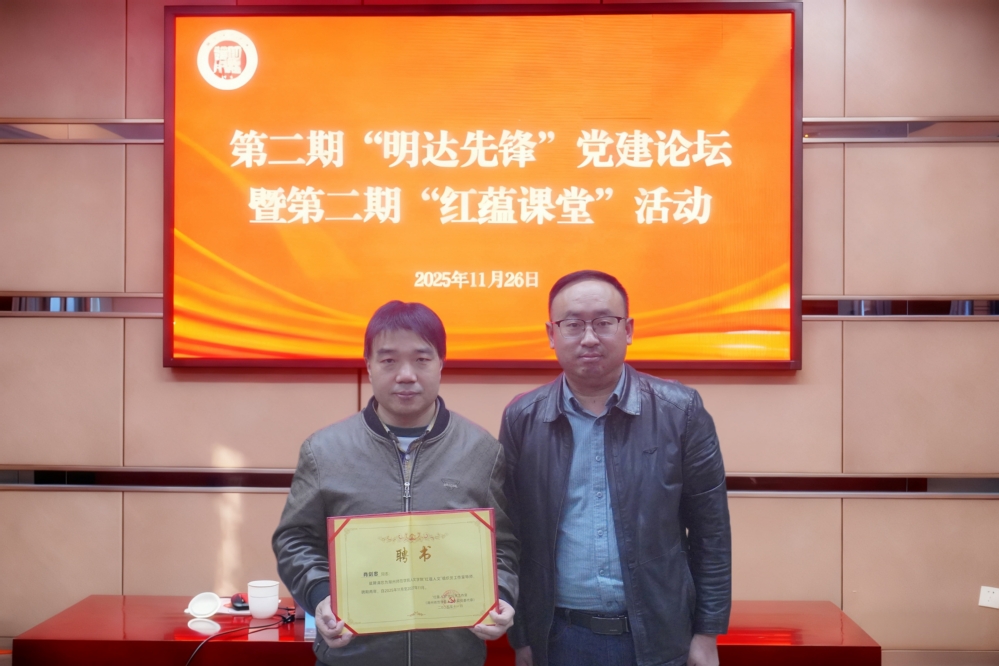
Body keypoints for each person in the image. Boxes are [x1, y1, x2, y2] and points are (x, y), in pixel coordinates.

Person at [499, 270, 731, 666]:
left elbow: (712, 533)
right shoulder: (522, 418)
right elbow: (510, 532)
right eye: (573, 324)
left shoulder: (681, 412)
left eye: (604, 322)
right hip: (558, 637)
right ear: (552, 334)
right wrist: (521, 636)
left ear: (629, 330)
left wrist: (707, 634)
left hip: (658, 638)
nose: (589, 338)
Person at [273, 300, 518, 666]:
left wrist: (501, 594)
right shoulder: (324, 451)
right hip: (352, 656)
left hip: (451, 657)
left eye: (421, 359)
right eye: (389, 360)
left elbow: (505, 546)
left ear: (441, 363)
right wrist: (320, 594)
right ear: (369, 365)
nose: (406, 375)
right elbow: (295, 540)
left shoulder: (482, 451)